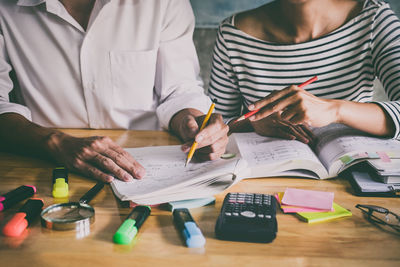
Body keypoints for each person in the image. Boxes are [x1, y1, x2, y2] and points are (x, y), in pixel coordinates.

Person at [0, 0, 229, 183]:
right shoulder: (5, 9)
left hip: (146, 171)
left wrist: (191, 123)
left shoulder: (163, 3)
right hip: (42, 164)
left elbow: (180, 89)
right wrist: (54, 143)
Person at [208, 0, 400, 144]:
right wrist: (253, 123)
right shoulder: (232, 34)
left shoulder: (374, 19)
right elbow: (218, 125)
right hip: (265, 177)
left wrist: (335, 110)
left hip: (353, 176)